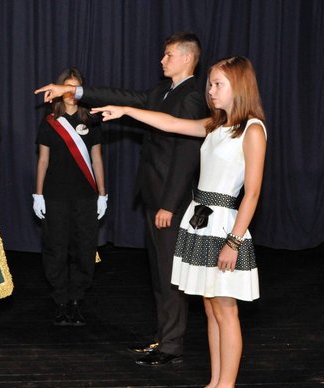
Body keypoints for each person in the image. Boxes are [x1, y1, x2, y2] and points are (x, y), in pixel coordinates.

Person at [93, 55, 267, 388]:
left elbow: (251, 194)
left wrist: (234, 241)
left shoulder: (251, 130)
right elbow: (170, 123)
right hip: (201, 220)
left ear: (239, 87)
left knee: (226, 309)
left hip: (224, 226)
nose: (210, 90)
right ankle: (216, 382)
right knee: (211, 307)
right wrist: (126, 111)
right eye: (210, 84)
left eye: (218, 84)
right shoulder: (216, 125)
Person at [35, 32, 207, 365]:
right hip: (154, 195)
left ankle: (171, 345)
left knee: (169, 275)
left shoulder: (191, 97)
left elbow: (187, 156)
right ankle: (164, 338)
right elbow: (124, 96)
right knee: (159, 273)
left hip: (169, 201)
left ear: (187, 58)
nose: (162, 60)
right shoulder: (162, 91)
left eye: (169, 55)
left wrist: (169, 204)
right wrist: (74, 91)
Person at [33, 67, 106, 326]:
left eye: (75, 87)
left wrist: (102, 194)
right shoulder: (50, 122)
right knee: (56, 248)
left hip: (85, 196)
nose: (71, 93)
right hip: (55, 195)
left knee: (84, 248)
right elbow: (43, 160)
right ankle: (61, 300)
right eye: (67, 87)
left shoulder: (91, 120)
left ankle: (76, 299)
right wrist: (38, 194)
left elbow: (97, 160)